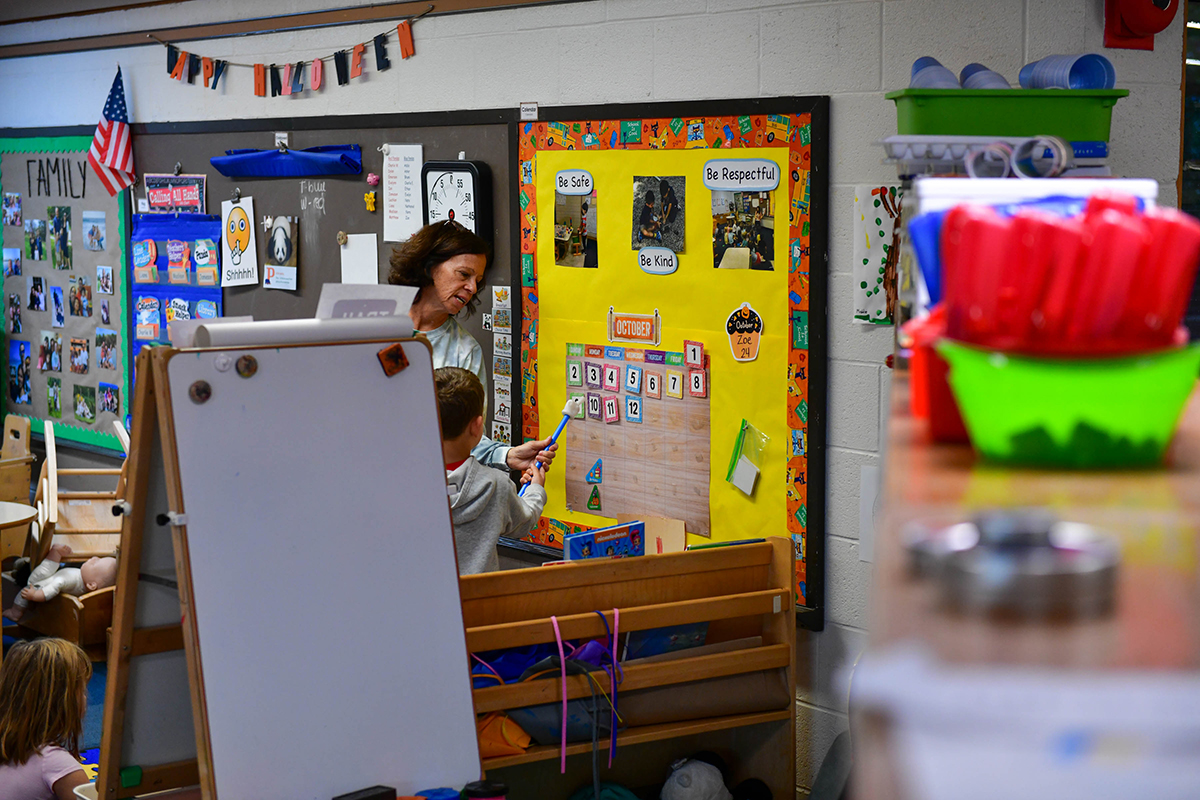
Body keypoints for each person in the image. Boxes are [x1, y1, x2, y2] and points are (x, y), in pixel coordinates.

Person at [389, 220, 557, 473]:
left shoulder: (465, 350)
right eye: (464, 274)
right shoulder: (374, 323)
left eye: (478, 279)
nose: (473, 288)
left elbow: (469, 437)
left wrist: (508, 455)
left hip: (425, 481)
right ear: (428, 267)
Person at [436, 367, 545, 574]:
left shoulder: (405, 484)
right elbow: (524, 521)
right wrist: (535, 489)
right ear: (477, 427)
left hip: (424, 603)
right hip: (481, 602)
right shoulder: (496, 485)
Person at [0, 637, 92, 800]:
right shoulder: (57, 765)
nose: (87, 697)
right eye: (82, 690)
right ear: (63, 702)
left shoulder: (8, 747)